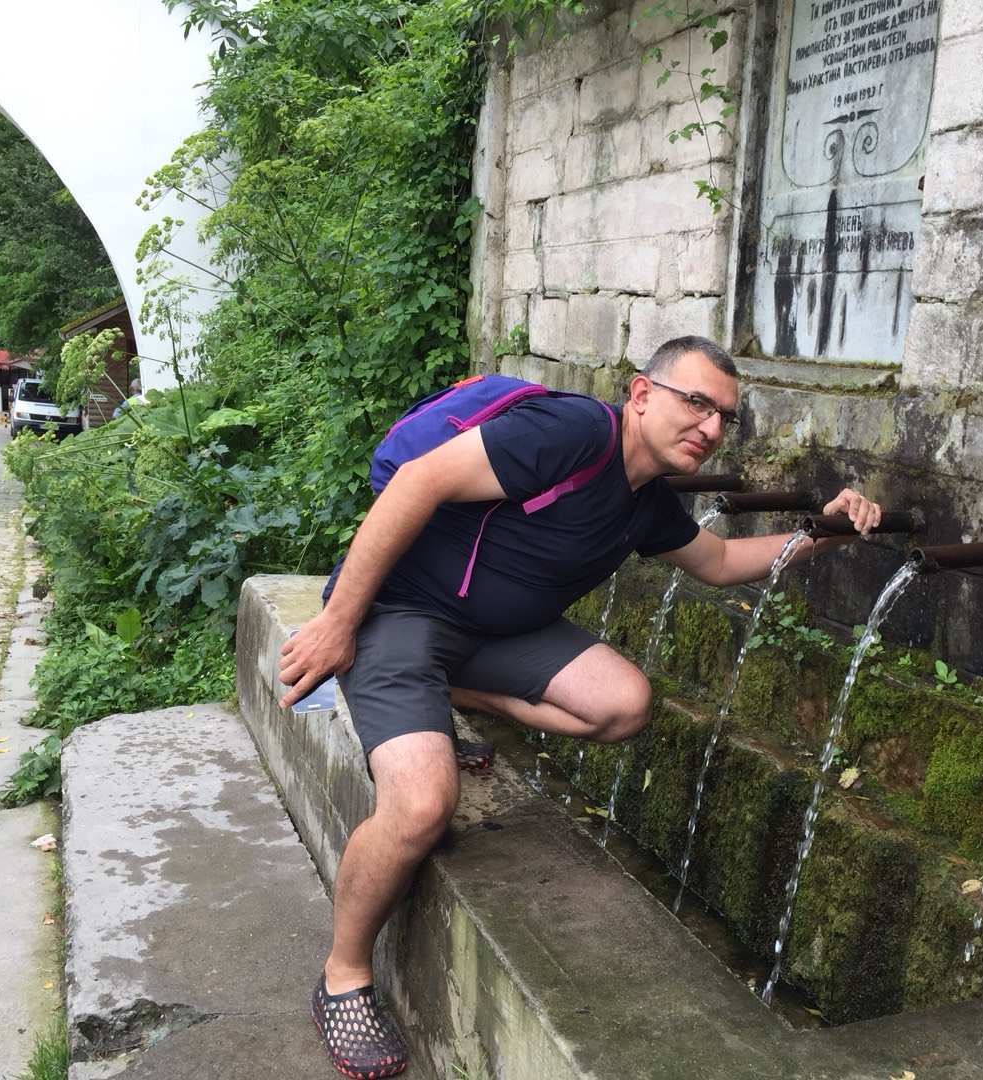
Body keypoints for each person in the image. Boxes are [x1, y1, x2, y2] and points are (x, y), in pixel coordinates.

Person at [278, 336, 883, 1078]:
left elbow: (721, 564)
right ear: (640, 394)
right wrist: (339, 620)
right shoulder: (567, 435)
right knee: (421, 805)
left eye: (725, 416)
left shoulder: (644, 504)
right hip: (398, 617)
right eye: (695, 402)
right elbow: (416, 483)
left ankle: (438, 697)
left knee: (624, 703)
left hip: (492, 637)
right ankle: (343, 976)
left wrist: (825, 532)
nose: (711, 427)